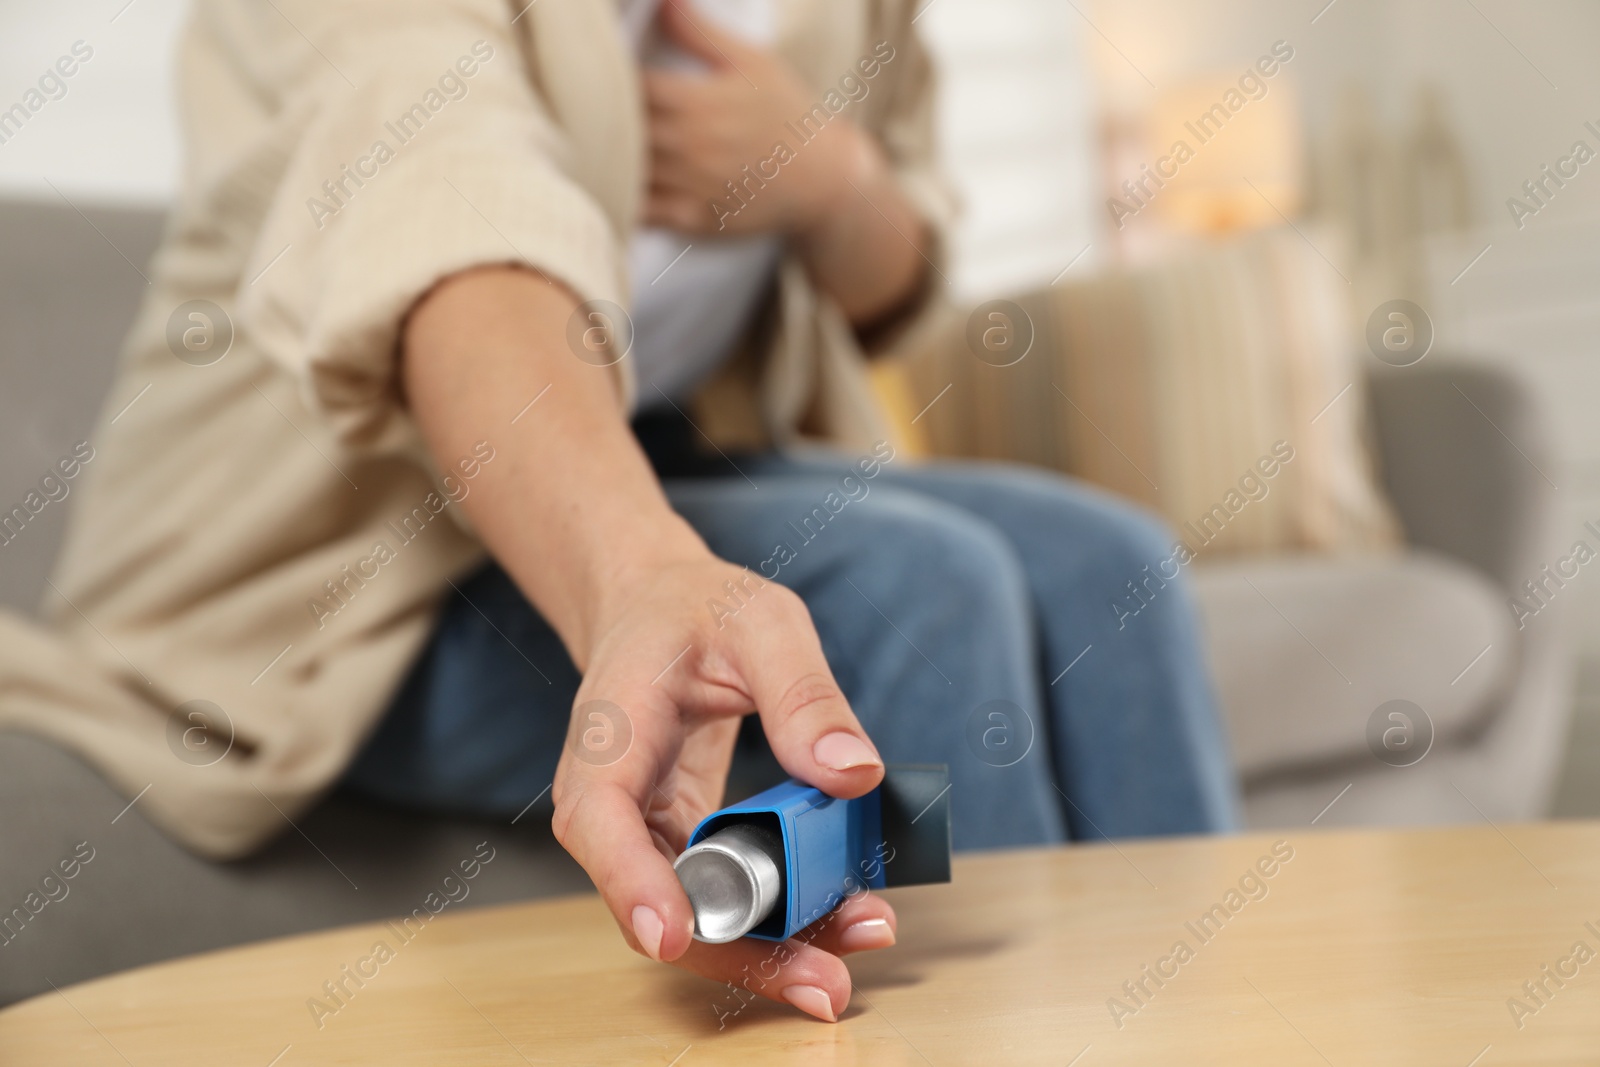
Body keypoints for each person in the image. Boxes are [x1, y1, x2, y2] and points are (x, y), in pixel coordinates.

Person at [0, 0, 1235, 1023]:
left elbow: (892, 286)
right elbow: (449, 216)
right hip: (334, 543)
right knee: (927, 589)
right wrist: (641, 577)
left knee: (1109, 566)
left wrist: (831, 177)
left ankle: (1215, 1025)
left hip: (661, 445)